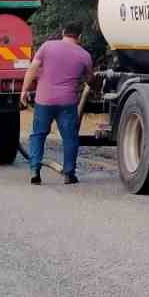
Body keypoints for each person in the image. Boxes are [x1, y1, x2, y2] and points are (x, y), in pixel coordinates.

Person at [20, 22, 94, 186]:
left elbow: (33, 68)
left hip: (44, 100)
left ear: (63, 33)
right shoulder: (84, 55)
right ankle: (69, 174)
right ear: (79, 37)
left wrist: (24, 90)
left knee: (38, 134)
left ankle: (34, 170)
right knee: (70, 138)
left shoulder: (47, 46)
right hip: (67, 102)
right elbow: (90, 79)